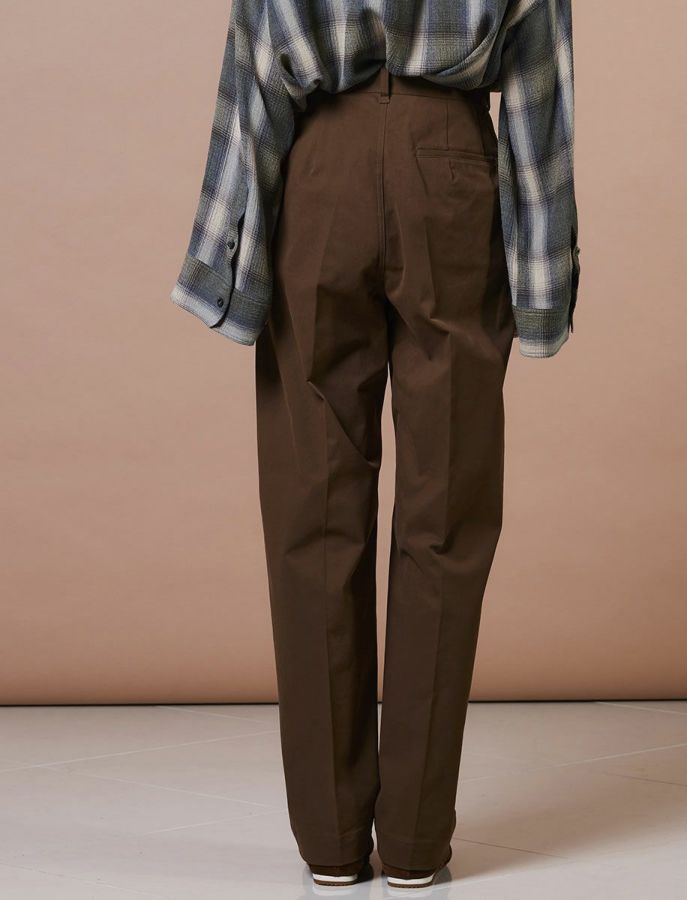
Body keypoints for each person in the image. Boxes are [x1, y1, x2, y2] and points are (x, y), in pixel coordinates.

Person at [169, 0, 580, 890]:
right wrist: (544, 286)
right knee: (447, 510)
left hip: (322, 164)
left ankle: (330, 840)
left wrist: (223, 261)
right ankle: (417, 842)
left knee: (312, 510)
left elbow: (257, 63)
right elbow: (539, 80)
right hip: (452, 168)